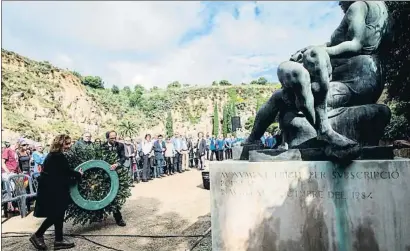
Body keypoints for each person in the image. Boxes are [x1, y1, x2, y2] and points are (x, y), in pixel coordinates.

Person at [247, 1, 390, 148]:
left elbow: (356, 44)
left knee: (279, 97)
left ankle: (252, 140)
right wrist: (310, 49)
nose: (339, 2)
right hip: (371, 76)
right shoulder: (380, 9)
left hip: (354, 80)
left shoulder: (357, 6)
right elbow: (341, 45)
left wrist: (319, 52)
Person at [30, 134, 83, 251]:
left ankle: (59, 240)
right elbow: (66, 172)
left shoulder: (52, 155)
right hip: (53, 190)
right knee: (55, 214)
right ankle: (38, 235)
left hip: (52, 188)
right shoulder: (58, 156)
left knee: (59, 214)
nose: (70, 145)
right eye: (67, 143)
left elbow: (61, 173)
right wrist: (79, 174)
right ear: (61, 143)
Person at [102, 130, 127, 227]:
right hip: (105, 174)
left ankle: (119, 219)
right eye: (111, 138)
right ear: (107, 138)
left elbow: (123, 158)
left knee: (115, 195)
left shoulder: (120, 145)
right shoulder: (102, 146)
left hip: (117, 172)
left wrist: (117, 164)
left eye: (115, 137)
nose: (114, 140)